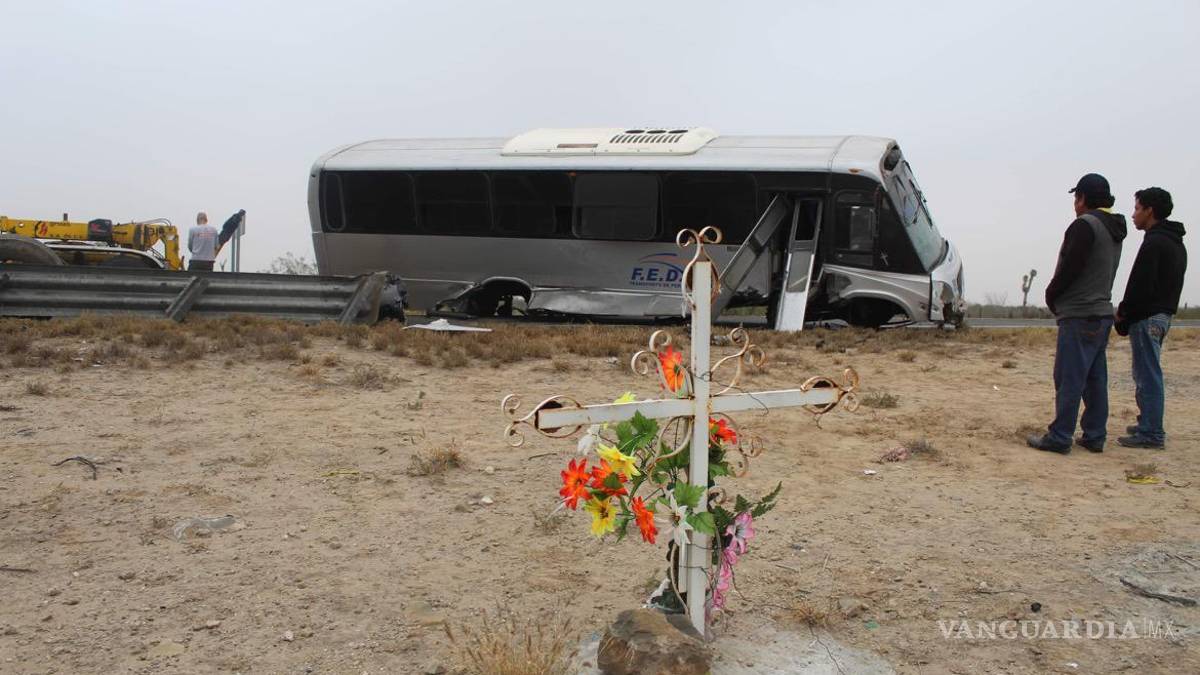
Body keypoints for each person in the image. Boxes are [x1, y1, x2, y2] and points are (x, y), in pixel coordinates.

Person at [1027, 174, 1127, 454]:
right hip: (1101, 313)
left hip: (1079, 313)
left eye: (1076, 197)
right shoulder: (1114, 228)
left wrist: (1052, 294)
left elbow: (1072, 267)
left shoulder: (1085, 226)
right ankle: (1095, 435)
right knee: (1095, 380)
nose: (1074, 204)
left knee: (1069, 377)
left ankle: (1060, 436)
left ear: (1083, 198)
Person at [1114, 188, 1187, 449]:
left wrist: (1124, 312)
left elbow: (1140, 285)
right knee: (1146, 372)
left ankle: (1151, 433)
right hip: (1161, 315)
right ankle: (1148, 423)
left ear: (1150, 211)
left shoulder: (1155, 242)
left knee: (1148, 374)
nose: (1133, 214)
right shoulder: (1175, 242)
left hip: (1148, 317)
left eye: (1137, 208)